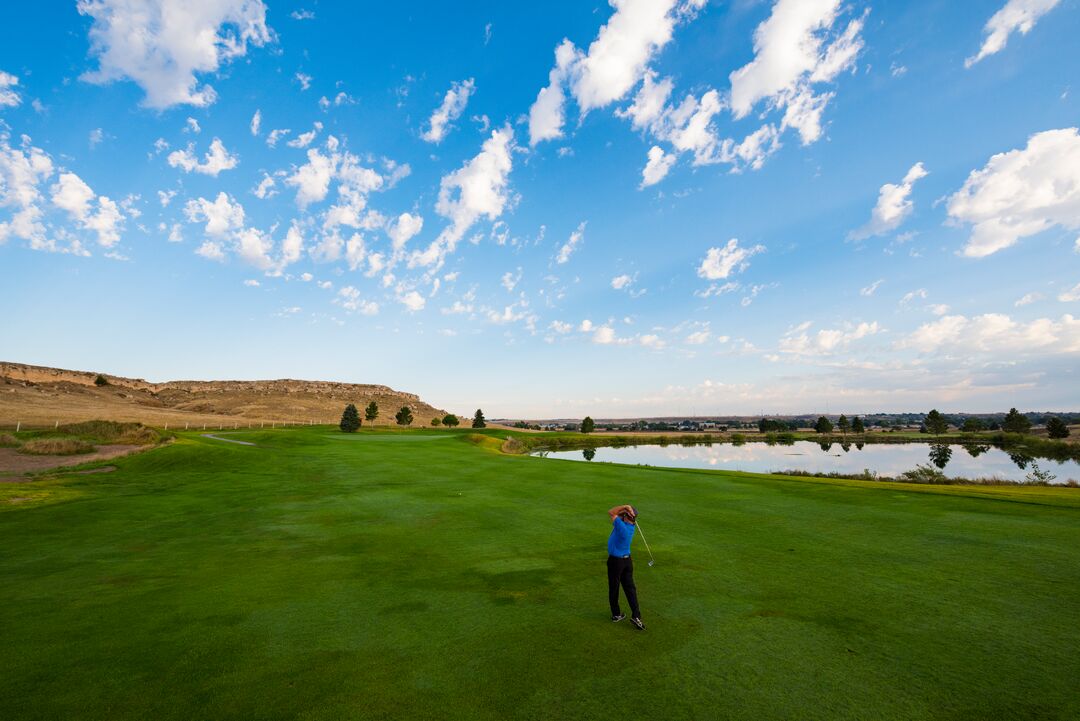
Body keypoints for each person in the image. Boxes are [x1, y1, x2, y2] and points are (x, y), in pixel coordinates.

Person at [606, 504, 645, 630]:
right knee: (630, 589)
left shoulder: (622, 527)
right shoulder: (631, 526)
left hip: (615, 562)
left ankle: (616, 614)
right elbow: (617, 515)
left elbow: (611, 512)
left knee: (614, 588)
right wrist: (626, 511)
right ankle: (636, 615)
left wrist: (625, 506)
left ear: (626, 516)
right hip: (627, 561)